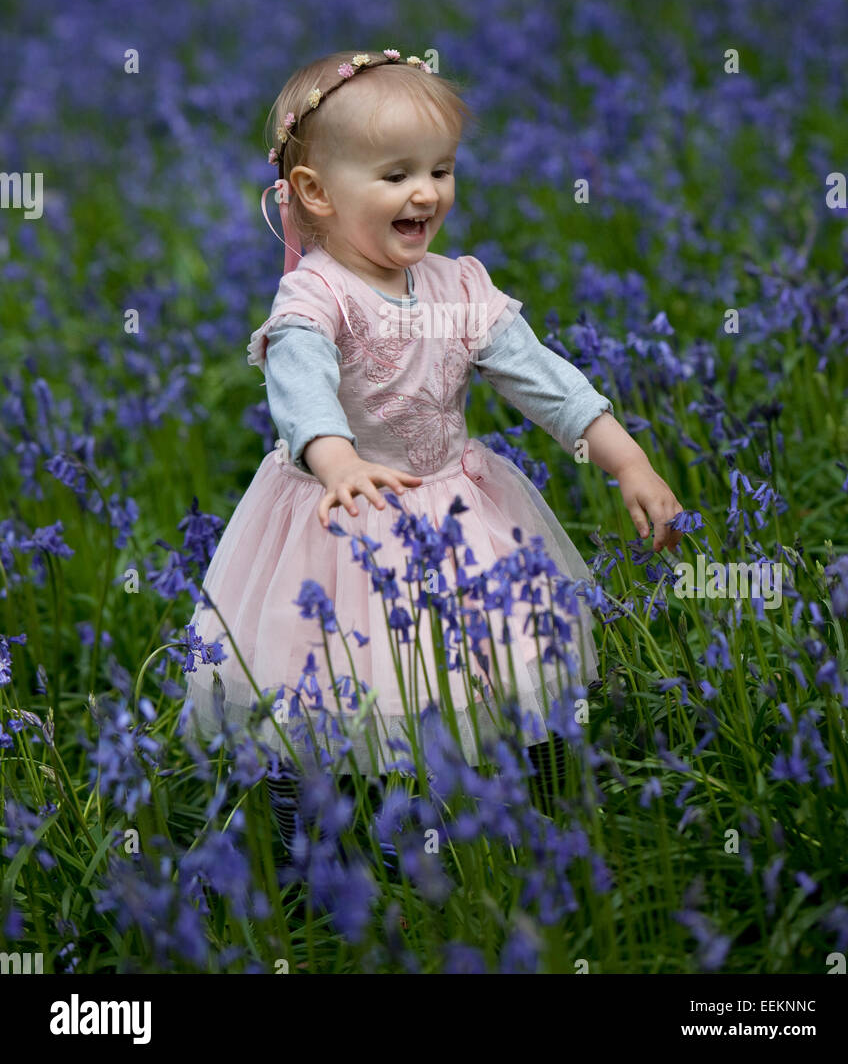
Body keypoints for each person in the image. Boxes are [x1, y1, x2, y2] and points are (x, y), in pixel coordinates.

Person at [182, 49, 683, 858]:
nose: (426, 193)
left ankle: (540, 819)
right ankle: (313, 848)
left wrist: (624, 457)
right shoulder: (315, 295)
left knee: (513, 656)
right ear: (314, 193)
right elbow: (298, 383)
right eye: (395, 175)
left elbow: (543, 378)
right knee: (324, 683)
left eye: (440, 170)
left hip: (458, 506)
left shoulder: (457, 288)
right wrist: (336, 461)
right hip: (340, 515)